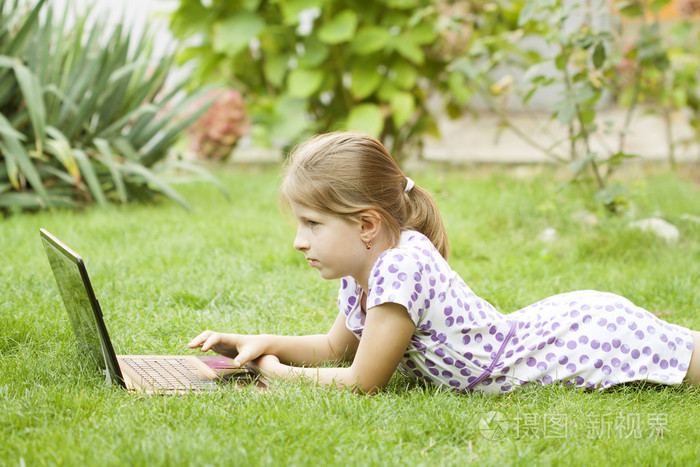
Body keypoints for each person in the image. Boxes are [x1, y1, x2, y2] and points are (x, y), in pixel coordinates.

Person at [188, 131, 700, 395]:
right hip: (553, 328)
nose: (300, 241)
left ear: (366, 225)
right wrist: (259, 343)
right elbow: (333, 349)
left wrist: (275, 373)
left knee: (686, 360)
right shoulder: (364, 270)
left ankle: (653, 336)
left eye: (314, 224)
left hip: (577, 341)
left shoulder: (397, 270)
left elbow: (363, 381)